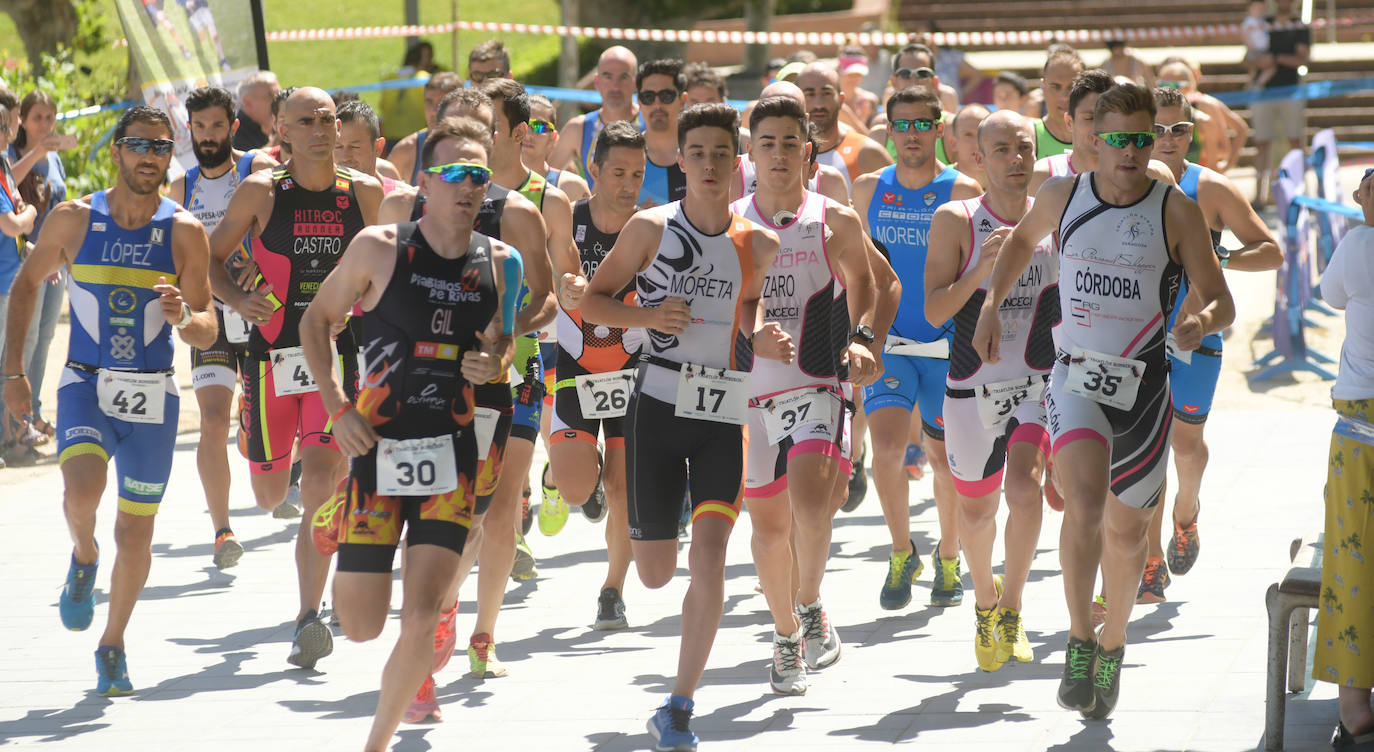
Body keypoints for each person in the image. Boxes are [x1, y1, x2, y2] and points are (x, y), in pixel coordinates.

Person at [972, 83, 1234, 718]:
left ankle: (1114, 639)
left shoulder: (1175, 209)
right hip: (1075, 375)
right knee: (1083, 506)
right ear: (1093, 138)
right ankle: (1079, 638)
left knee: (1127, 531)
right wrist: (989, 305)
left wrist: (1200, 322)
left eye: (1145, 139)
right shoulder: (1063, 195)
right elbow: (1016, 243)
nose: (1133, 151)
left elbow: (1221, 299)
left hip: (1144, 385)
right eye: (1118, 139)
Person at [306, 116, 520, 748]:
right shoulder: (378, 247)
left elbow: (501, 346)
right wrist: (338, 407)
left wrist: (494, 363)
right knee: (362, 624)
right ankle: (340, 513)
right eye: (453, 172)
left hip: (449, 454)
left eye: (478, 175)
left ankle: (377, 742)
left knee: (420, 615)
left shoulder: (501, 263)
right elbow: (317, 323)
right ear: (425, 180)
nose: (467, 187)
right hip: (374, 448)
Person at [581, 102, 779, 751]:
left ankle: (680, 705)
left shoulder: (759, 243)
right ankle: (666, 515)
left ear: (737, 160)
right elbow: (590, 302)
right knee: (656, 573)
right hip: (657, 411)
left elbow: (744, 319)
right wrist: (648, 320)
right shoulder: (649, 229)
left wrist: (763, 339)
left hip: (723, 416)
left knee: (712, 556)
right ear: (681, 160)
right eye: (698, 154)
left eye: (722, 153)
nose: (711, 165)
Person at [2, 105, 218, 694]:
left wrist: (184, 318)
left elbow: (208, 327)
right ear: (117, 151)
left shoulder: (184, 231)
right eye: (139, 144)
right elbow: (25, 288)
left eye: (161, 147)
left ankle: (113, 643)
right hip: (85, 383)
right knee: (82, 492)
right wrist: (13, 374)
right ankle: (83, 555)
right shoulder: (73, 220)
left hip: (154, 397)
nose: (150, 156)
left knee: (137, 534)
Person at [208, 87, 384, 669]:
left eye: (328, 119)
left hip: (338, 356)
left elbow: (384, 268)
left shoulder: (363, 193)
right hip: (271, 357)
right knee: (266, 492)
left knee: (319, 486)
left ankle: (309, 615)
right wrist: (236, 296)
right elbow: (209, 256)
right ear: (280, 129)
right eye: (305, 120)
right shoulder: (261, 192)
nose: (319, 129)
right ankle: (253, 441)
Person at [733, 95, 878, 695]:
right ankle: (787, 632)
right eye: (766, 142)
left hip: (818, 377)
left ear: (807, 151)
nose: (777, 153)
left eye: (789, 142)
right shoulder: (731, 220)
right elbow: (735, 298)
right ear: (751, 152)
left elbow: (866, 282)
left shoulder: (835, 218)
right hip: (752, 390)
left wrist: (864, 337)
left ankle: (811, 600)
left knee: (814, 506)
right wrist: (752, 332)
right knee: (768, 528)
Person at [924, 109, 1058, 672]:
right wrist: (980, 270)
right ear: (978, 158)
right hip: (971, 388)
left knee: (1025, 491)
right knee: (976, 516)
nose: (1016, 159)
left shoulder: (1054, 214)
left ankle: (1013, 608)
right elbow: (933, 311)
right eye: (1001, 149)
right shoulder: (957, 218)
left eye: (1024, 147)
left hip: (1035, 380)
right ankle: (984, 601)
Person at [1136, 85, 1280, 602]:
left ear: (1191, 133)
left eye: (1177, 129)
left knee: (1186, 449)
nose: (1167, 140)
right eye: (1156, 130)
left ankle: (1186, 514)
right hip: (1138, 345)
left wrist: (1222, 258)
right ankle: (1151, 561)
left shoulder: (1212, 188)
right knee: (1146, 454)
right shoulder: (1121, 184)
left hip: (1198, 342)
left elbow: (1270, 251)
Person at [852, 84, 982, 611]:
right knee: (885, 452)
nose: (910, 135)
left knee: (944, 461)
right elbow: (857, 270)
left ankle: (949, 556)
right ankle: (902, 550)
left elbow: (977, 272)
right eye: (900, 125)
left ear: (938, 128)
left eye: (920, 125)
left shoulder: (962, 190)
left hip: (946, 345)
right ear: (887, 129)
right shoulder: (866, 189)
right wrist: (860, 334)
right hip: (891, 345)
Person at [167, 86, 277, 569]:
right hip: (211, 319)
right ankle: (222, 529)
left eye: (216, 126)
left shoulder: (256, 170)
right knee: (212, 420)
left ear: (233, 127)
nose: (207, 136)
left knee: (259, 427)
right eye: (199, 127)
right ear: (188, 129)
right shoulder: (181, 185)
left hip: (261, 312)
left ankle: (283, 467)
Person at [547, 120, 645, 629]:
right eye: (618, 173)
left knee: (625, 491)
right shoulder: (570, 218)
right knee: (575, 491)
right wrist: (558, 294)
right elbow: (547, 285)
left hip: (632, 368)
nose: (628, 185)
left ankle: (612, 589)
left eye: (638, 173)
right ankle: (571, 469)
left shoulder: (653, 227)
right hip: (576, 364)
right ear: (594, 169)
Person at [1314, 169, 1374, 751]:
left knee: (1352, 554)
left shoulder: (1358, 243)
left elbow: (1330, 296)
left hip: (1362, 429)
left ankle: (1354, 700)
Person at [9, 90, 71, 449]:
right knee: (25, 340)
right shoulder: (15, 156)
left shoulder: (55, 159)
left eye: (50, 117)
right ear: (23, 122)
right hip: (26, 263)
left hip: (56, 262)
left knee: (45, 339)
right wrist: (37, 153)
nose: (45, 125)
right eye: (38, 118)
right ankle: (18, 421)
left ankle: (33, 410)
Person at [0, 99, 38, 468]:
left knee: (11, 360)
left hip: (10, 275)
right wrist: (30, 215)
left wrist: (29, 245)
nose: (9, 133)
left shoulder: (4, 166)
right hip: (1, 282)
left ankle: (12, 434)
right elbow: (11, 222)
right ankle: (8, 437)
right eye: (4, 126)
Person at [546, 46, 642, 190]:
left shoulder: (654, 124)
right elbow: (546, 182)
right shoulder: (578, 128)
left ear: (636, 82)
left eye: (624, 77)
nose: (615, 86)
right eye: (608, 76)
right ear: (596, 81)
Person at [1250, 0, 1310, 206]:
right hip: (1262, 91)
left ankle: (1300, 191)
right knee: (1261, 143)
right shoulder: (1262, 23)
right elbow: (1248, 56)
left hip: (1290, 90)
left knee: (1295, 142)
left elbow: (1302, 58)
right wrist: (1259, 62)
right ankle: (1260, 194)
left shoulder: (1300, 25)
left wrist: (1274, 59)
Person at [796, 62, 891, 188]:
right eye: (810, 94)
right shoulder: (781, 154)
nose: (818, 104)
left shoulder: (867, 153)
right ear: (798, 100)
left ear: (841, 100)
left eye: (826, 93)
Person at [868, 45, 955, 165]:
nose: (914, 81)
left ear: (935, 83)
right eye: (905, 74)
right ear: (894, 82)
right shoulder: (880, 131)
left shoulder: (951, 128)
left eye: (922, 74)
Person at [388, 72, 465, 186]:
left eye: (442, 103)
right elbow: (385, 197)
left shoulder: (476, 147)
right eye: (429, 102)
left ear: (460, 105)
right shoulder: (406, 150)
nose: (434, 111)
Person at [636, 59, 690, 208]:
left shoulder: (701, 152)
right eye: (648, 97)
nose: (657, 105)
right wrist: (634, 215)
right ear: (639, 102)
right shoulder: (626, 154)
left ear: (682, 100)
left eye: (666, 96)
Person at [522, 94, 590, 202]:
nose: (529, 134)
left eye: (540, 127)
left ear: (552, 137)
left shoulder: (571, 187)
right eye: (523, 124)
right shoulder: (491, 180)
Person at [336, 100, 404, 191]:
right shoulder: (316, 200)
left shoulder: (403, 200)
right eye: (338, 147)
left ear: (378, 147)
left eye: (354, 147)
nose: (345, 157)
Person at [1034, 45, 1084, 160]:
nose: (1064, 97)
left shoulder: (1099, 139)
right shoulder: (1029, 137)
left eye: (1072, 87)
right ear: (1043, 87)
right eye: (1055, 87)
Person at [175, 0, 231, 72]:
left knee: (214, 35)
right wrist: (186, 3)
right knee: (202, 37)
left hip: (202, 7)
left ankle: (223, 60)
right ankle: (195, 39)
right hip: (192, 13)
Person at [945, 104, 991, 188]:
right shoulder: (938, 182)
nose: (977, 144)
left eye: (983, 133)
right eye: (968, 135)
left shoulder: (1012, 180)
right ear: (954, 143)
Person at [233, 71, 280, 151]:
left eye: (279, 95)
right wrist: (279, 140)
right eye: (271, 96)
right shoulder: (235, 133)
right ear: (247, 102)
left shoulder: (272, 126)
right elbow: (246, 161)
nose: (278, 102)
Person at [1242, 1, 1277, 90]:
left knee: (1257, 70)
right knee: (1257, 69)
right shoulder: (1249, 21)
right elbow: (1245, 35)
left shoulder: (1262, 21)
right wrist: (1250, 46)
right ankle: (1255, 85)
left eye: (1261, 9)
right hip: (1255, 50)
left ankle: (1256, 85)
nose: (1259, 11)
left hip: (1262, 49)